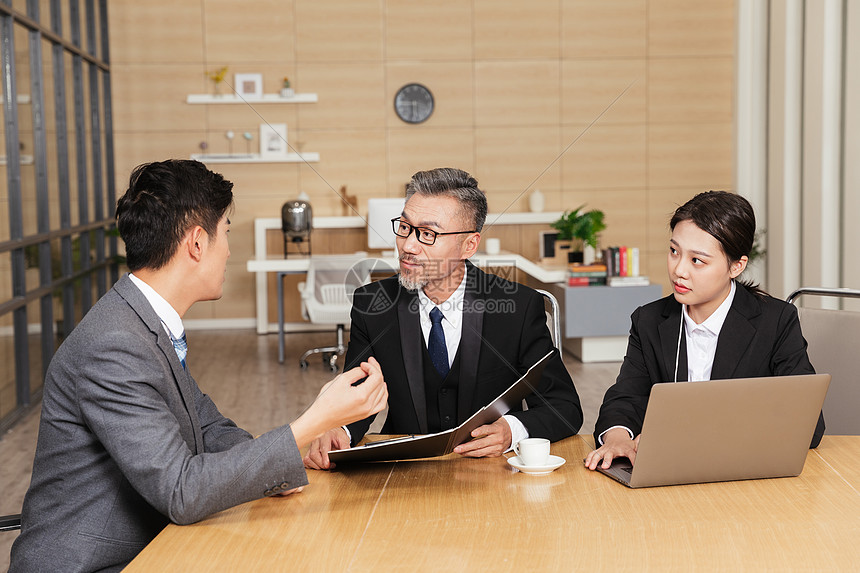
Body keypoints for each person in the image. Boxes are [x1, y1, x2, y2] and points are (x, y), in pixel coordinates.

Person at [10, 160, 388, 572]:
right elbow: (181, 490)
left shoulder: (143, 320)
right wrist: (313, 423)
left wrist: (276, 472)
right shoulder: (114, 345)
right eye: (225, 232)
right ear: (196, 243)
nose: (227, 249)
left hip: (152, 545)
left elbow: (207, 427)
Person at [304, 167, 582, 469]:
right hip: (402, 471)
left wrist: (511, 430)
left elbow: (564, 406)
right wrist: (339, 430)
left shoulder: (518, 307)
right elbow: (359, 396)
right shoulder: (372, 305)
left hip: (492, 475)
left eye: (428, 234)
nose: (408, 246)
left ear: (469, 245)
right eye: (405, 227)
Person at [584, 190, 826, 471]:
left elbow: (808, 424)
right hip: (670, 473)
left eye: (697, 260)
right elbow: (626, 397)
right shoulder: (649, 320)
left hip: (744, 473)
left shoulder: (776, 321)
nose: (679, 270)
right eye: (674, 251)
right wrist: (616, 438)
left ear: (736, 266)